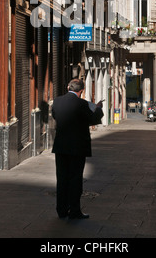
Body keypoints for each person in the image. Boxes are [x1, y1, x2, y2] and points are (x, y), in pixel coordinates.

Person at [52, 78, 103, 219]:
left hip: (61, 146)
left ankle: (61, 210)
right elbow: (92, 120)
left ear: (68, 86)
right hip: (77, 147)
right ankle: (74, 211)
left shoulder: (57, 101)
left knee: (61, 179)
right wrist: (98, 108)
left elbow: (56, 116)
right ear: (81, 91)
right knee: (75, 179)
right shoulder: (81, 104)